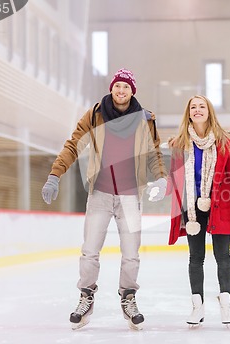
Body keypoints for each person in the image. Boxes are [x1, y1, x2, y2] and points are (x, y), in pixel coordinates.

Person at [41, 68, 167, 330]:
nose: (121, 91)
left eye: (126, 88)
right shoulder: (96, 114)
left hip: (131, 195)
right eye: (118, 86)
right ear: (112, 88)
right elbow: (74, 144)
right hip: (100, 193)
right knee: (90, 251)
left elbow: (154, 152)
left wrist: (161, 177)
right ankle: (86, 297)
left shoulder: (144, 119)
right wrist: (55, 174)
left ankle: (128, 297)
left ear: (133, 92)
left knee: (131, 254)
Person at [167, 95, 230, 325]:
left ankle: (226, 306)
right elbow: (174, 178)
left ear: (209, 111)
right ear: (188, 113)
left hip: (220, 206)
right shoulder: (180, 143)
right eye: (193, 107)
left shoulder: (224, 141)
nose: (197, 110)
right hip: (192, 210)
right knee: (196, 257)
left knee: (223, 256)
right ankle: (198, 307)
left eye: (201, 106)